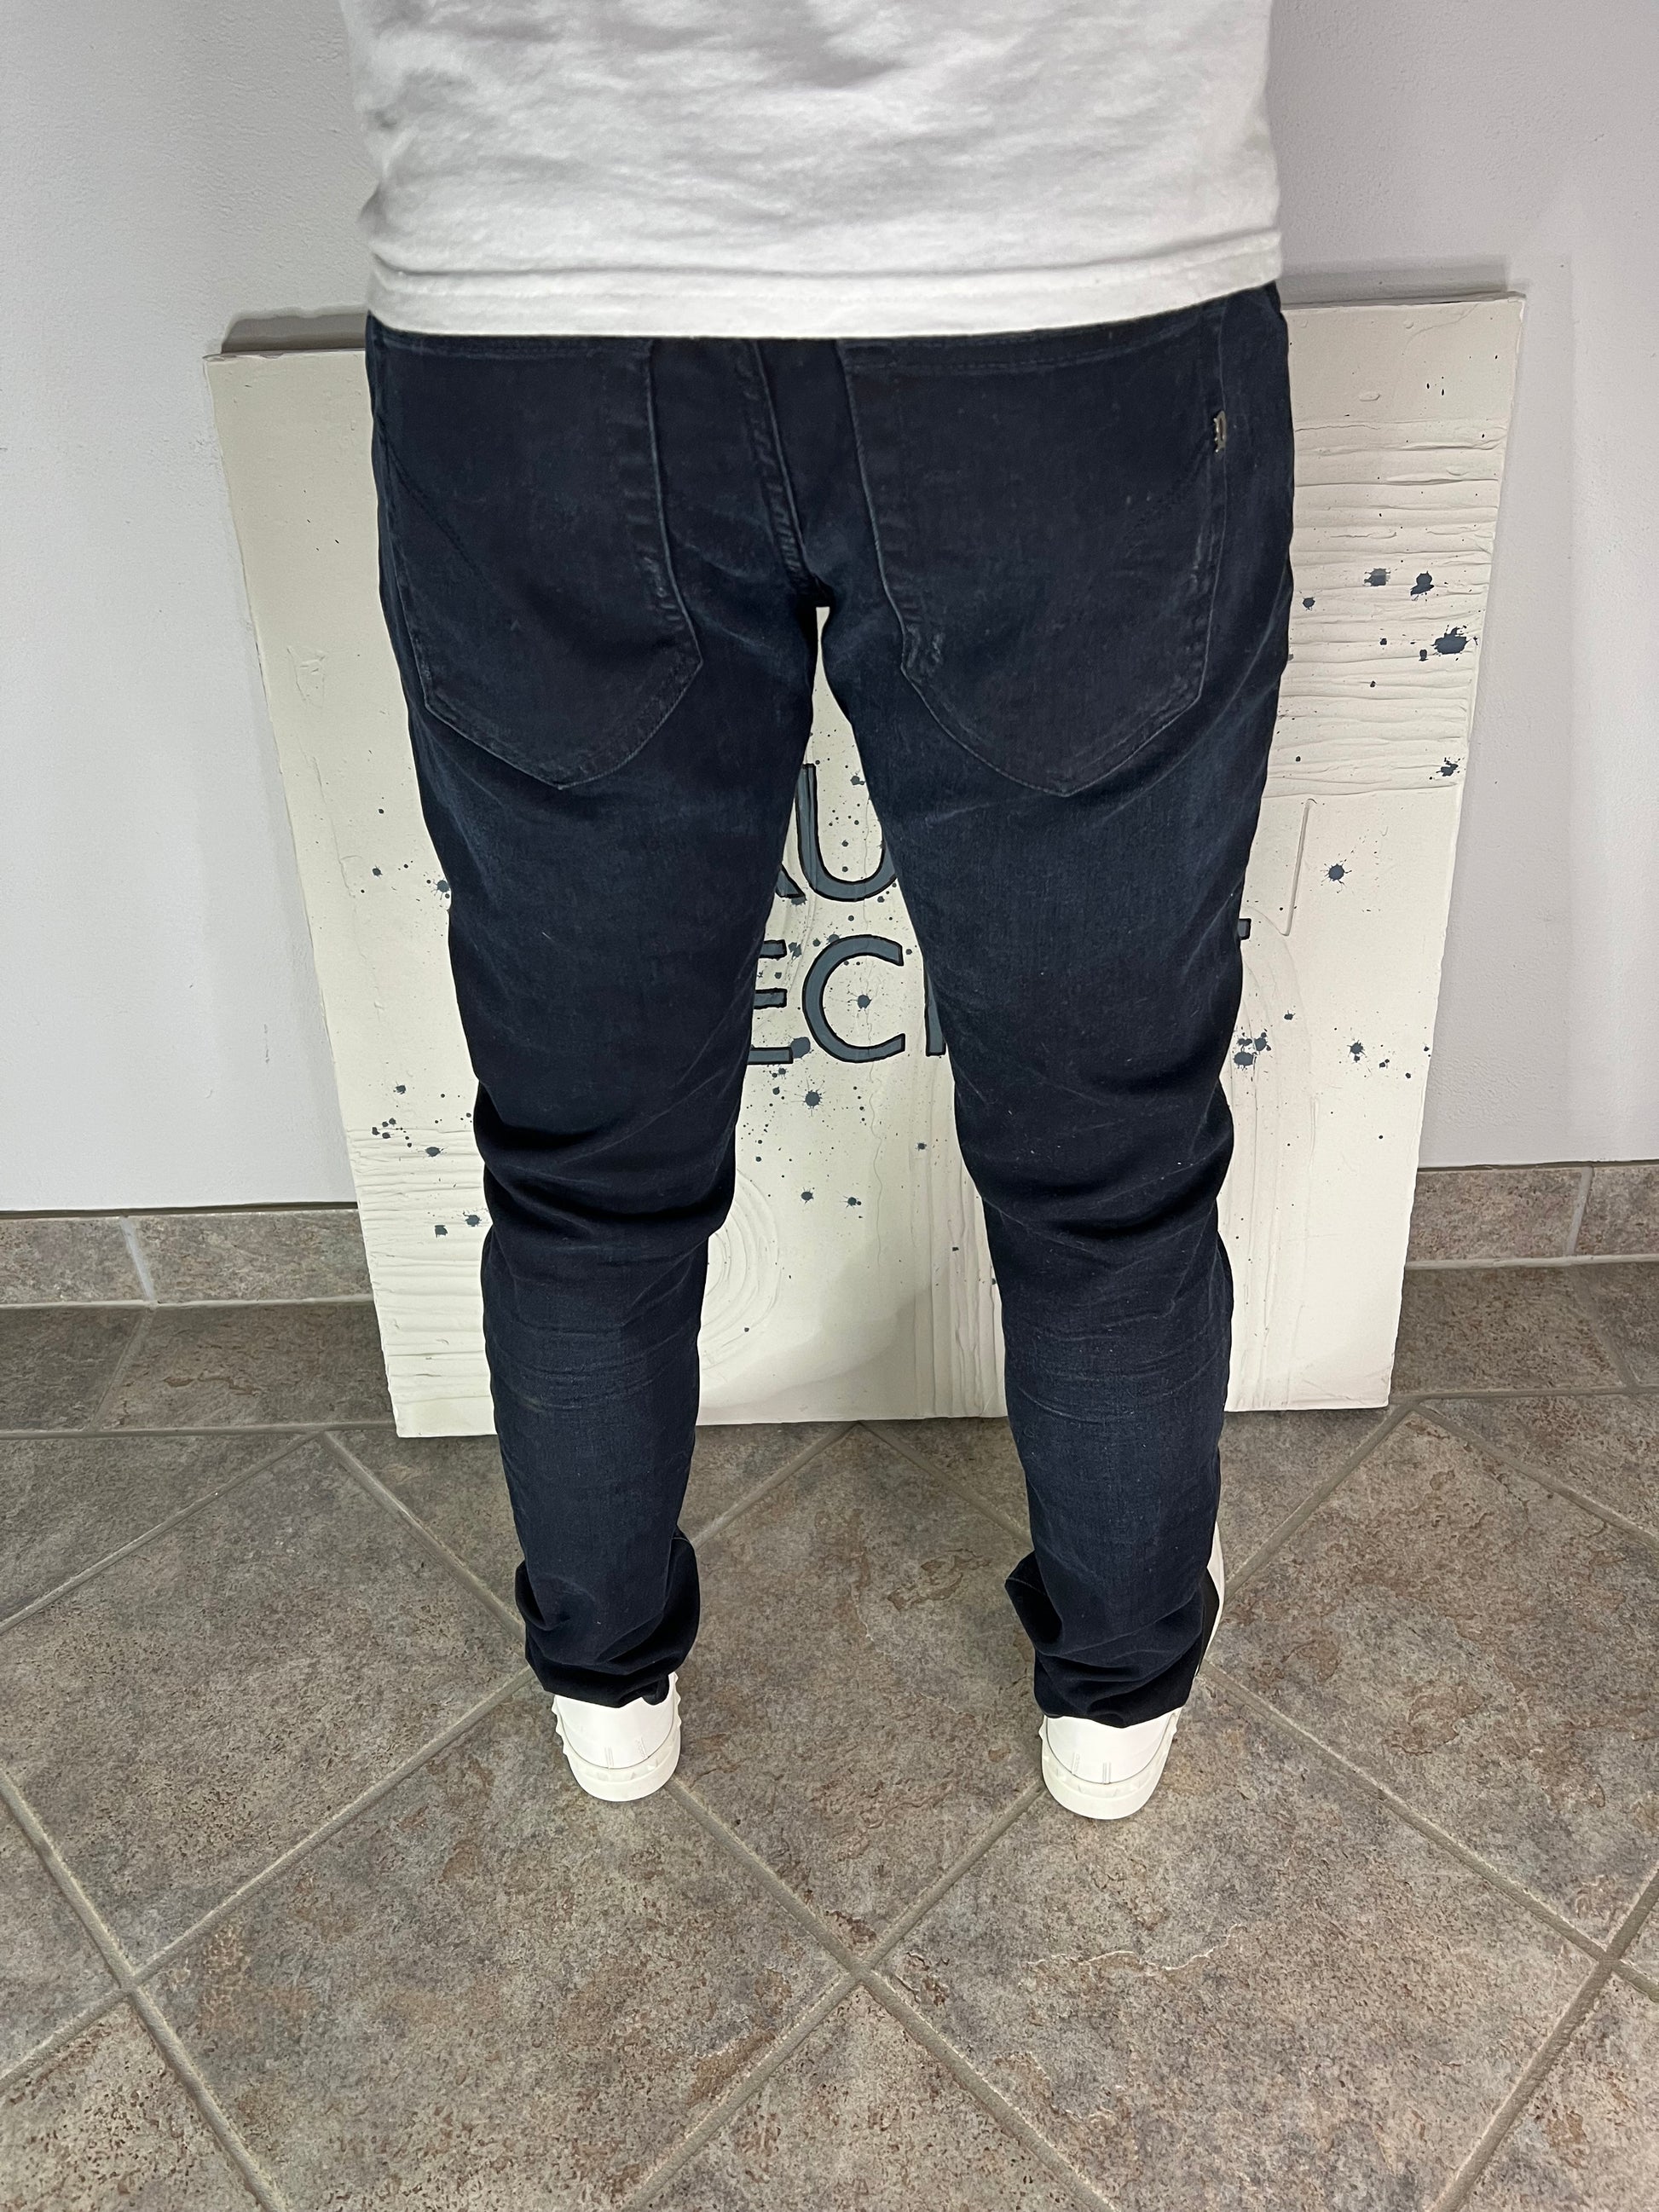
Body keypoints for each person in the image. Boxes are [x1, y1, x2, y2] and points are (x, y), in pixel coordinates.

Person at [338, 1, 1292, 1820]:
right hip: (1059, 249)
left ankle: (608, 1677)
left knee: (585, 1152)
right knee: (1103, 1149)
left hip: (537, 268)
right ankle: (1114, 1690)